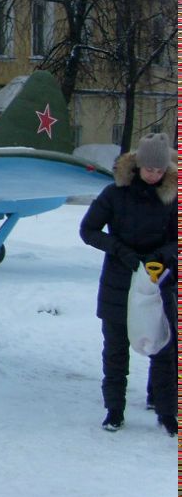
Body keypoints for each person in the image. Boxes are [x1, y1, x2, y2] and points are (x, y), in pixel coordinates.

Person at [79, 132, 177, 436]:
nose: (154, 175)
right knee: (116, 349)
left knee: (163, 348)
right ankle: (114, 411)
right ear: (137, 166)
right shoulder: (114, 193)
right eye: (149, 169)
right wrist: (122, 251)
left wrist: (162, 256)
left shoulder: (172, 196)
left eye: (159, 170)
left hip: (158, 282)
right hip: (118, 282)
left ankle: (165, 411)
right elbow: (89, 230)